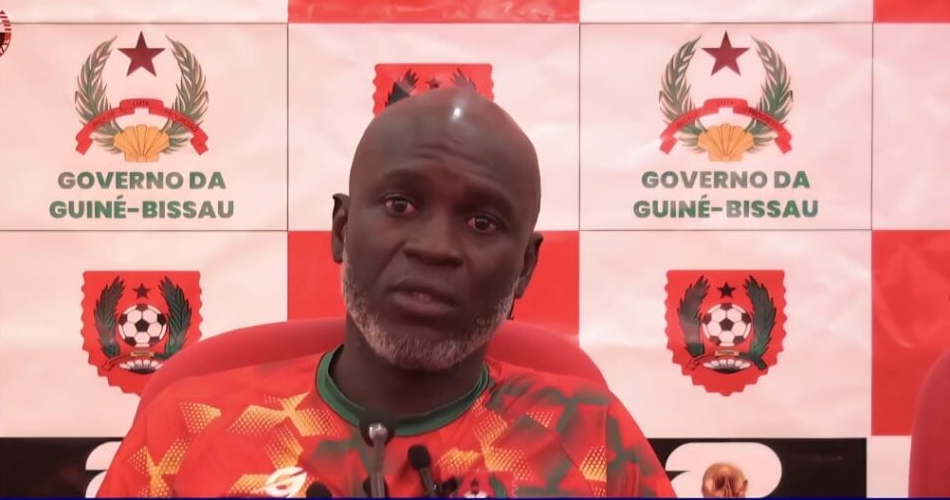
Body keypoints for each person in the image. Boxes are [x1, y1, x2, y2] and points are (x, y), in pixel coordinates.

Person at [97, 88, 675, 498]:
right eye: (401, 205)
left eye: (481, 222)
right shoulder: (186, 427)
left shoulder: (593, 437)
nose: (435, 248)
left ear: (524, 267)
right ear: (342, 230)